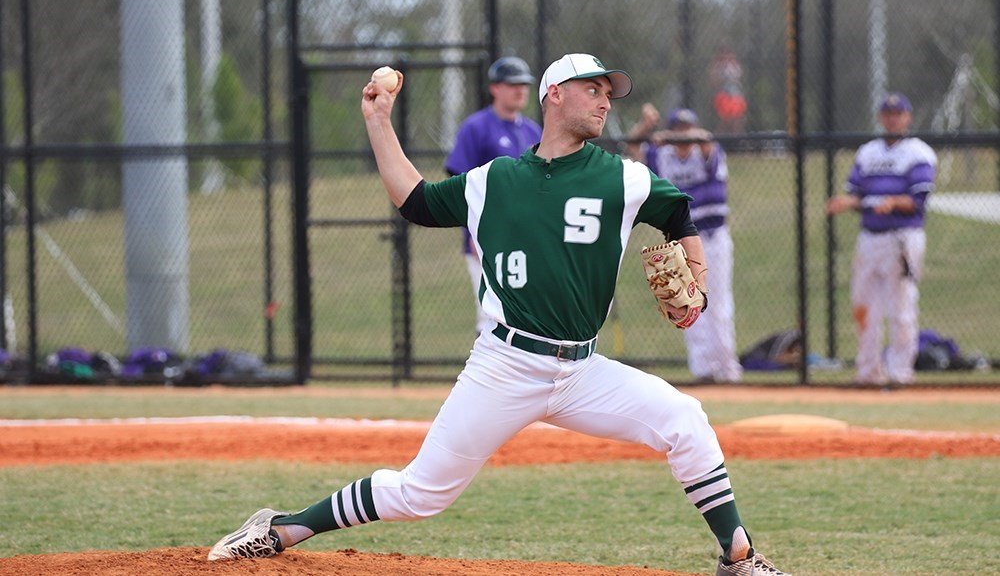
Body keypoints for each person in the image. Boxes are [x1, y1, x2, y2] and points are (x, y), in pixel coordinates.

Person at [208, 53, 788, 576]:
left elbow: (680, 215)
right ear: (555, 93)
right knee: (421, 494)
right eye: (593, 88)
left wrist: (701, 288)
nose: (606, 100)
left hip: (583, 371)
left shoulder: (624, 176)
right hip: (505, 363)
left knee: (685, 419)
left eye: (610, 92)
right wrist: (378, 123)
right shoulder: (494, 181)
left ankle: (738, 556)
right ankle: (281, 528)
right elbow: (416, 201)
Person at [826, 92, 936, 385]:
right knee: (864, 306)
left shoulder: (918, 152)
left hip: (901, 236)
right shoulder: (868, 152)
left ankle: (900, 372)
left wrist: (892, 201)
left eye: (898, 114)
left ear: (907, 118)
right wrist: (846, 202)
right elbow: (857, 192)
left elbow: (918, 199)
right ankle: (868, 372)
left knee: (901, 306)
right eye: (887, 114)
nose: (892, 119)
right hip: (870, 237)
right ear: (880, 118)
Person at [627, 105, 743, 383]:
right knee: (687, 301)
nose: (682, 135)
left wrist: (670, 136)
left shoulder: (707, 152)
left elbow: (705, 140)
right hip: (681, 241)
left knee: (719, 304)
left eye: (685, 129)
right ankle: (703, 370)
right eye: (677, 129)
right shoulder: (662, 156)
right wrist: (646, 126)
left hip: (713, 237)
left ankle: (728, 370)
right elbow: (632, 145)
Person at [445, 56, 542, 334]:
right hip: (487, 234)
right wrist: (475, 232)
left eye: (524, 84)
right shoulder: (476, 127)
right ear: (495, 88)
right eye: (513, 84)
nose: (520, 90)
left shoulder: (532, 131)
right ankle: (484, 377)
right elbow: (459, 185)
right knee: (490, 313)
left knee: (527, 314)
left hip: (527, 238)